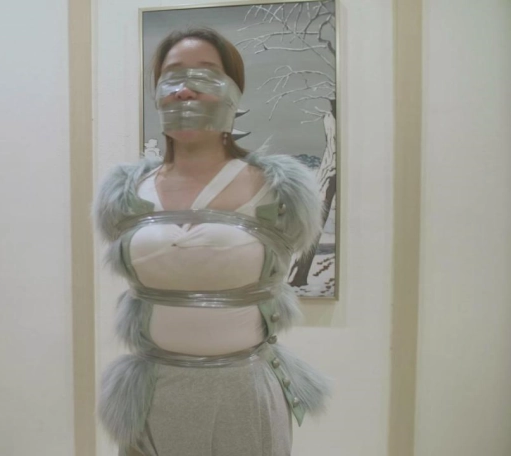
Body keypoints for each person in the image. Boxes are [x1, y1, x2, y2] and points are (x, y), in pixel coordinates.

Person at [92, 28, 332, 456]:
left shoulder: (274, 190)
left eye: (205, 74)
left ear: (234, 91)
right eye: (172, 76)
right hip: (154, 392)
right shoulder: (129, 194)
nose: (185, 90)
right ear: (157, 93)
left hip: (243, 392)